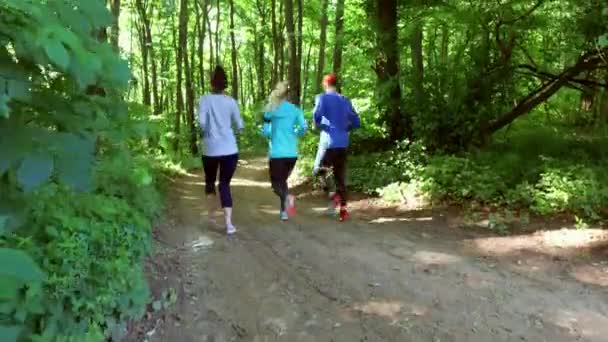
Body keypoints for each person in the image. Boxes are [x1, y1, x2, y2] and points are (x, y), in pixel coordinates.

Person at [198, 66, 244, 235]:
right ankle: (229, 224)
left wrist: (207, 131)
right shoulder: (231, 101)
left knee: (210, 182)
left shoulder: (204, 100)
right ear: (225, 84)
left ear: (211, 83)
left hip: (210, 148)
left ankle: (211, 218)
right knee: (224, 184)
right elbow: (239, 126)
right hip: (230, 149)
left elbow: (202, 123)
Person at [313, 73, 360, 222]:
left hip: (329, 142)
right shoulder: (345, 100)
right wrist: (346, 128)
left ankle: (333, 195)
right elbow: (356, 121)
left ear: (325, 84)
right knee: (340, 177)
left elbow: (316, 117)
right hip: (343, 143)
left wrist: (321, 126)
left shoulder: (322, 98)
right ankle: (343, 211)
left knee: (319, 170)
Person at [262, 81, 308, 221]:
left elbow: (265, 131)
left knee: (276, 184)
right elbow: (303, 128)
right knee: (283, 182)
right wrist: (295, 132)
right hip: (292, 154)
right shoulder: (295, 109)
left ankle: (287, 198)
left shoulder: (272, 109)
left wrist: (268, 133)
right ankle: (284, 212)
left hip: (277, 153)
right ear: (287, 95)